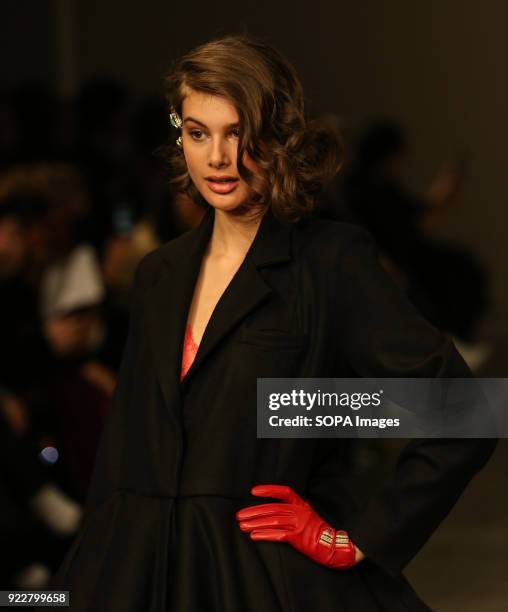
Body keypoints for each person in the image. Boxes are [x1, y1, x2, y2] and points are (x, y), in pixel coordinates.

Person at [50, 35, 496, 612]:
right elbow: (123, 453)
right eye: (197, 132)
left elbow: (462, 410)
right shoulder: (161, 272)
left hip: (261, 576)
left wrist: (353, 536)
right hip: (145, 568)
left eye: (237, 133)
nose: (217, 158)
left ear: (278, 135)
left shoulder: (330, 263)